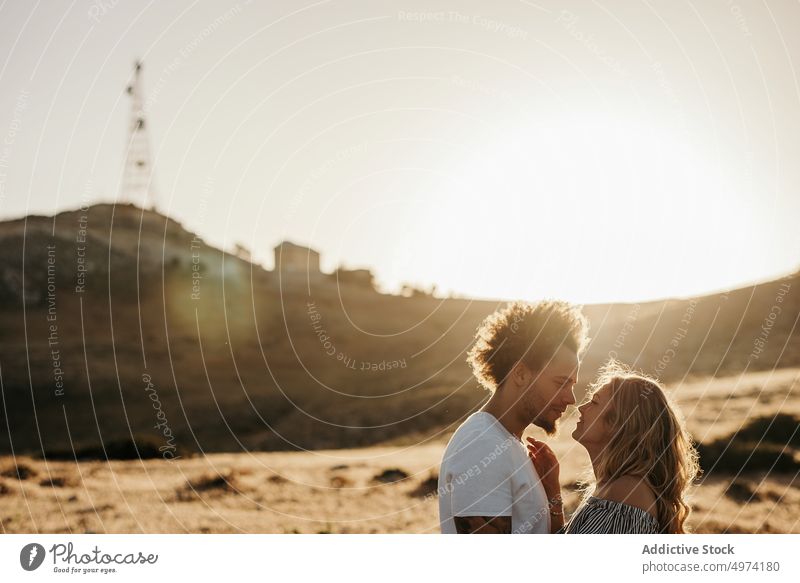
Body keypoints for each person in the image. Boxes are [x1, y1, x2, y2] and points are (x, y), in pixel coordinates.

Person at [438, 300, 589, 533]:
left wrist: (552, 494)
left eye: (572, 385)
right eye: (561, 383)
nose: (570, 399)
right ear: (520, 374)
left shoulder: (505, 442)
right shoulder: (483, 445)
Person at [527, 361, 700, 533]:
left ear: (620, 422)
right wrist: (552, 491)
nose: (581, 407)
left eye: (594, 402)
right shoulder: (614, 488)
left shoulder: (626, 493)